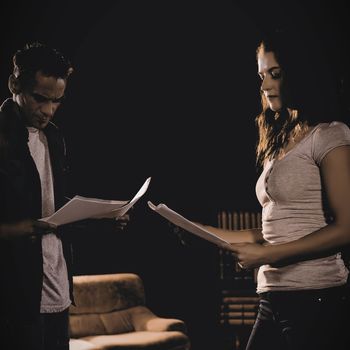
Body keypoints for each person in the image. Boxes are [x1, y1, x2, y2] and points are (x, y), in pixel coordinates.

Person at [199, 31, 350, 349]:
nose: (266, 85)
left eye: (275, 74)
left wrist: (267, 255)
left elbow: (346, 228)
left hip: (316, 300)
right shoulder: (278, 144)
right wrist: (195, 229)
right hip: (273, 298)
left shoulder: (328, 135)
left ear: (299, 73)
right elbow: (265, 234)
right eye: (262, 75)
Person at [0, 42, 128, 350]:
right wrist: (29, 228)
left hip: (56, 291)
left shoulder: (53, 138)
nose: (48, 110)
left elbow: (57, 212)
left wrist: (103, 219)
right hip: (14, 299)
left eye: (57, 101)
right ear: (15, 84)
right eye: (40, 98)